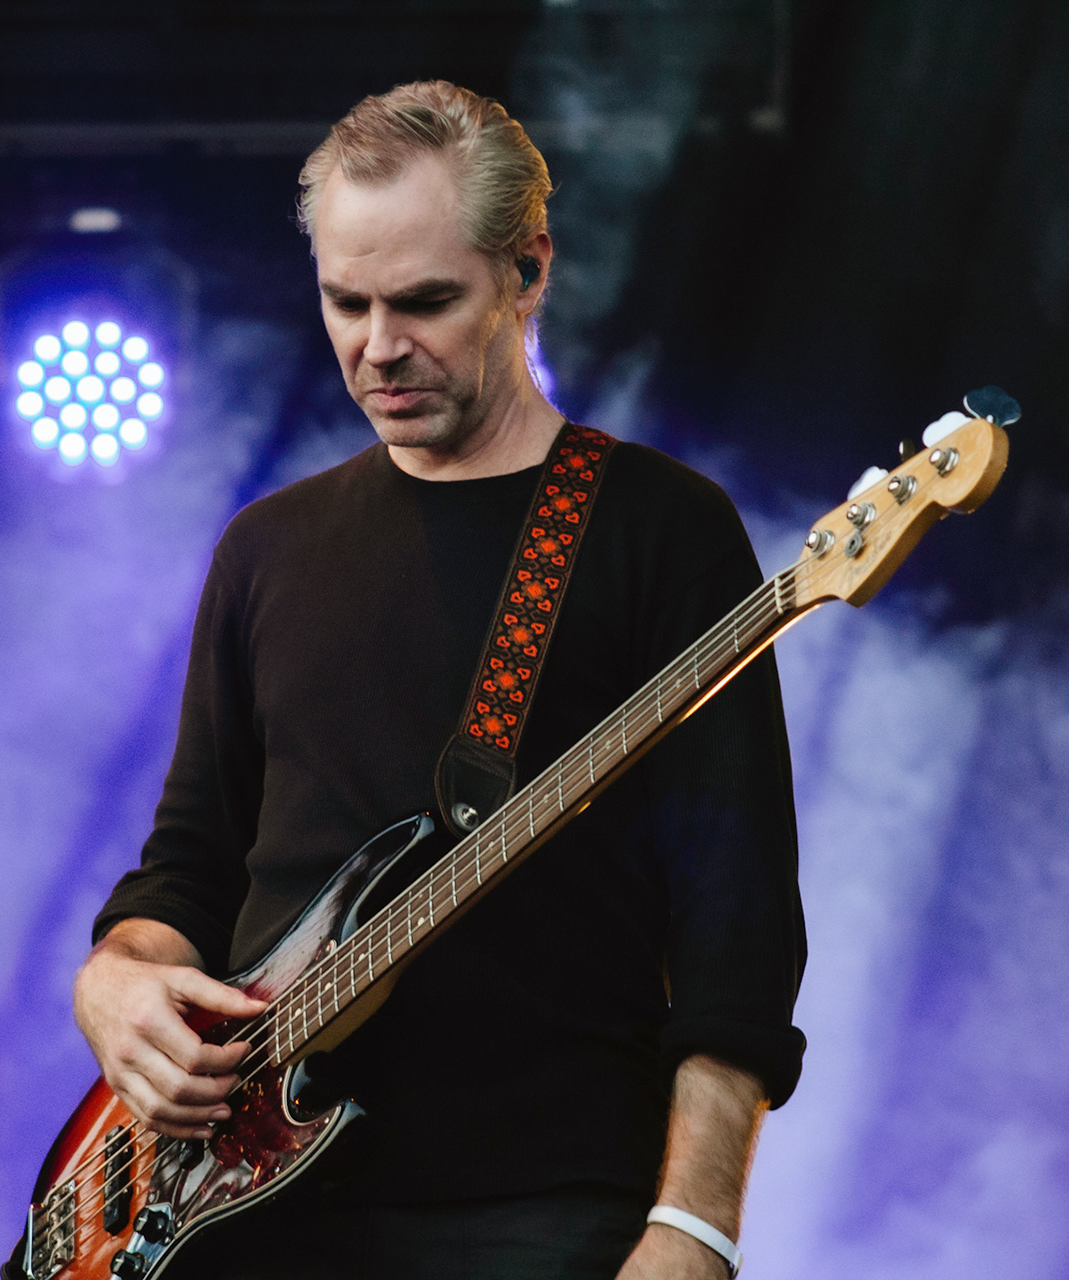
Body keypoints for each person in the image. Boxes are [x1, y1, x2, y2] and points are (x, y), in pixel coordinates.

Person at [72, 81, 805, 1280]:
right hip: (238, 1206)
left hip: (537, 1203)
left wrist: (695, 1223)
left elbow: (738, 918)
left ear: (527, 270)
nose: (377, 345)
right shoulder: (267, 546)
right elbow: (193, 864)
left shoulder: (657, 529)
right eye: (345, 301)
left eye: (424, 301)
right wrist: (115, 980)